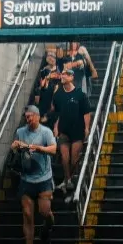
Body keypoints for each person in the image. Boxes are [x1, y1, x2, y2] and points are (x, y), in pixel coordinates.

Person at [11, 105, 58, 244]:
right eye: (26, 116)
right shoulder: (20, 132)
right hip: (26, 179)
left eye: (31, 116)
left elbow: (53, 150)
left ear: (37, 116)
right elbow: (15, 151)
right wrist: (15, 147)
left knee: (45, 212)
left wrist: (38, 148)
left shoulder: (45, 132)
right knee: (27, 214)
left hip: (44, 178)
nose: (28, 119)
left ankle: (46, 234)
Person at [52, 68, 92, 201]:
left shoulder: (80, 94)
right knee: (64, 157)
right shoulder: (58, 95)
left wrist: (86, 128)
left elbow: (86, 113)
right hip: (64, 131)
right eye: (62, 74)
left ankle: (69, 179)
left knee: (74, 159)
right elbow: (58, 113)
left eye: (65, 74)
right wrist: (56, 126)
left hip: (77, 131)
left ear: (71, 77)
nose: (62, 76)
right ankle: (68, 180)